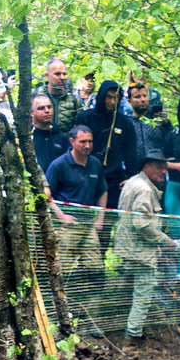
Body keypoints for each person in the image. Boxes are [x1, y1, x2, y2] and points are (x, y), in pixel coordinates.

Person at [112, 147, 178, 347]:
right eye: (159, 167)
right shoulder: (145, 189)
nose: (164, 172)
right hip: (140, 251)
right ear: (147, 166)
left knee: (122, 289)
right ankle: (132, 338)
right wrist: (165, 241)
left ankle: (102, 327)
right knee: (143, 295)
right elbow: (142, 225)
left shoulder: (133, 182)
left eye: (165, 168)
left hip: (128, 247)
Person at [45, 125, 108, 303]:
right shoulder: (59, 165)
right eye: (83, 142)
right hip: (67, 226)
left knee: (95, 267)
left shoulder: (95, 163)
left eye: (90, 142)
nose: (87, 145)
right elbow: (46, 194)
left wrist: (100, 217)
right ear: (72, 141)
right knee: (63, 268)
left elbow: (103, 191)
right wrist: (60, 216)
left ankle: (90, 308)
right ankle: (62, 307)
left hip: (88, 224)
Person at [76, 80, 137, 207]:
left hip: (114, 178)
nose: (112, 102)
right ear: (102, 96)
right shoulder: (86, 117)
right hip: (87, 174)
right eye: (109, 97)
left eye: (116, 98)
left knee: (109, 215)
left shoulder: (125, 122)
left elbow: (130, 153)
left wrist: (130, 178)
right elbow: (77, 147)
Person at [34, 57, 79, 133]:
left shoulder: (73, 100)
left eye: (64, 74)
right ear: (47, 75)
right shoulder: (36, 97)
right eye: (57, 74)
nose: (62, 77)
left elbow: (80, 127)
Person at [30, 93, 70, 175]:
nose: (47, 111)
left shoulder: (61, 136)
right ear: (31, 112)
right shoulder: (27, 137)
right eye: (41, 108)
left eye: (49, 107)